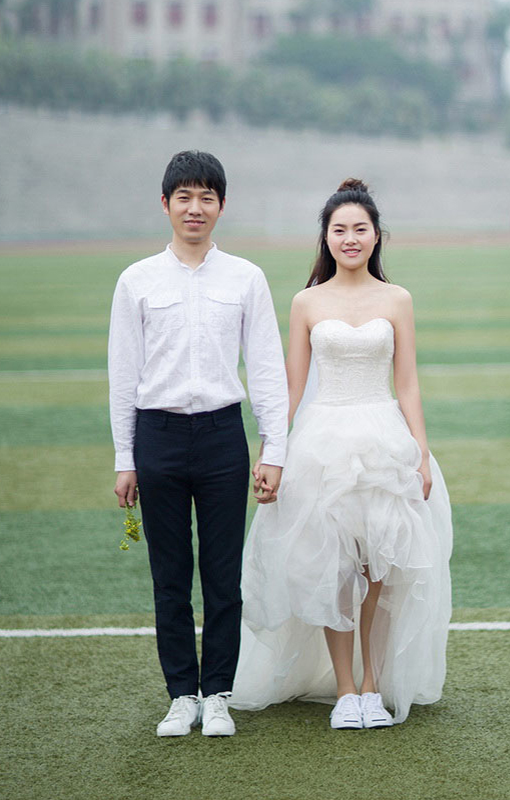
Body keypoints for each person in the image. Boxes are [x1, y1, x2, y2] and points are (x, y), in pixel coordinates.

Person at [231, 178, 452, 729]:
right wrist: (272, 453)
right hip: (322, 442)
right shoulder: (307, 301)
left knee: (378, 570)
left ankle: (372, 686)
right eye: (339, 230)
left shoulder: (397, 299)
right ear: (326, 237)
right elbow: (292, 386)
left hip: (383, 441)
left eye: (360, 229)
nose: (350, 238)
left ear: (377, 236)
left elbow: (408, 384)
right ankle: (345, 691)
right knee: (332, 569)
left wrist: (421, 452)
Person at [109, 150, 288, 738]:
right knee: (169, 577)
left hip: (221, 437)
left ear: (221, 206)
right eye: (183, 197)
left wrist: (274, 449)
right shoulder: (136, 280)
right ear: (165, 204)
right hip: (157, 436)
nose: (194, 208)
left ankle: (218, 696)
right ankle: (181, 695)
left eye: (206, 197)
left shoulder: (245, 278)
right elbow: (123, 375)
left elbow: (266, 368)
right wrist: (125, 458)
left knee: (222, 577)